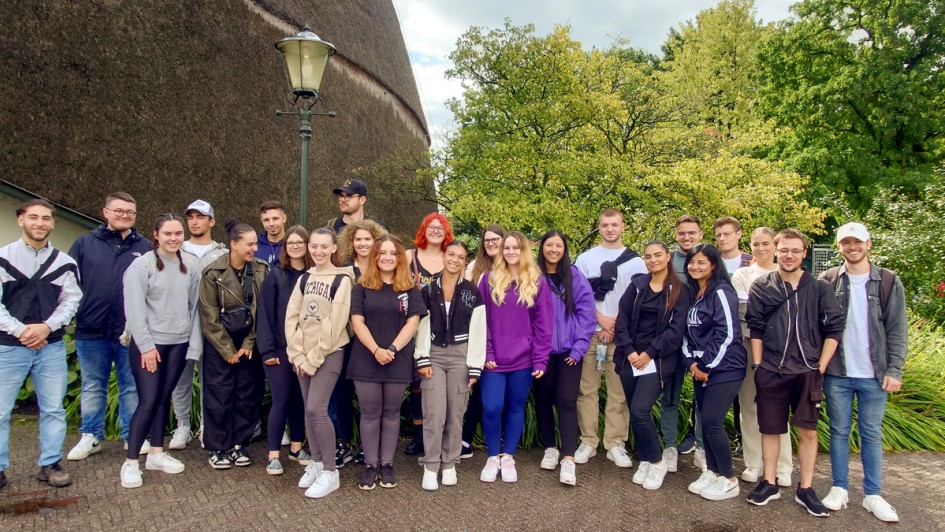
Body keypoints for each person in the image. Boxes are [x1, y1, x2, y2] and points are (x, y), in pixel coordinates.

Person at [745, 228, 844, 517]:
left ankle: (806, 488)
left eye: (795, 250)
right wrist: (759, 365)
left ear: (804, 253)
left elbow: (834, 328)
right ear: (776, 251)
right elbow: (756, 327)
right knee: (770, 428)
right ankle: (770, 482)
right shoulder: (763, 286)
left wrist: (821, 365)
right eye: (784, 249)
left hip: (807, 370)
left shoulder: (819, 287)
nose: (789, 255)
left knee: (808, 430)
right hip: (772, 370)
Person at [819, 222, 907, 523]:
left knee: (871, 434)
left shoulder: (887, 281)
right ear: (839, 246)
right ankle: (839, 488)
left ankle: (873, 494)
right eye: (846, 243)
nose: (852, 248)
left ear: (868, 244)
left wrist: (895, 368)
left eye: (857, 242)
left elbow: (896, 329)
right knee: (839, 432)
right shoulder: (829, 279)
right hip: (837, 372)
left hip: (874, 374)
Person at [0, 199, 81, 490]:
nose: (40, 223)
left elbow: (71, 300)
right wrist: (24, 331)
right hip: (9, 346)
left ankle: (50, 463)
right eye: (33, 217)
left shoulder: (64, 263)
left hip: (51, 346)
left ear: (52, 223)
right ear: (21, 219)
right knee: (1, 410)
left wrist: (47, 327)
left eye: (46, 218)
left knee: (53, 409)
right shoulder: (3, 258)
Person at [68, 192, 151, 461]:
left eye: (130, 212)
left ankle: (131, 435)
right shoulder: (84, 244)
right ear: (106, 212)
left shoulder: (146, 247)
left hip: (129, 330)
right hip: (91, 328)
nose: (124, 215)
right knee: (93, 385)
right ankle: (91, 436)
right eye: (119, 210)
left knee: (130, 385)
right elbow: (69, 284)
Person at [119, 214, 201, 488]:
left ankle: (156, 453)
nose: (174, 238)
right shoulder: (140, 267)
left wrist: (193, 344)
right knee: (149, 399)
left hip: (178, 343)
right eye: (168, 233)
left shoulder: (190, 265)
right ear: (156, 235)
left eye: (178, 233)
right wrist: (146, 346)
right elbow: (134, 310)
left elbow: (194, 308)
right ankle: (131, 462)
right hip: (150, 346)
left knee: (164, 397)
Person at [347, 235, 425, 490]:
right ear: (376, 256)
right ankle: (371, 466)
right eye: (383, 252)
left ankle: (387, 464)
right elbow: (356, 321)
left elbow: (413, 322)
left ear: (400, 257)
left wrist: (391, 349)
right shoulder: (362, 286)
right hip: (366, 359)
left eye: (393, 253)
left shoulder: (409, 288)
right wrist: (376, 350)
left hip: (397, 358)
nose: (388, 257)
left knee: (392, 414)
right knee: (370, 414)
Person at [477, 231, 553, 483]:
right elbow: (480, 322)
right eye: (506, 248)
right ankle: (492, 457)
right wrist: (486, 352)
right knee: (491, 407)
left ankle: (508, 456)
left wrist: (540, 358)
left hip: (523, 360)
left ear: (523, 251)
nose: (510, 252)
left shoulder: (537, 282)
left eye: (515, 248)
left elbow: (544, 323)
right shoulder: (488, 280)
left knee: (514, 407)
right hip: (493, 360)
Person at [614, 240, 690, 491]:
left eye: (658, 255)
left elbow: (675, 331)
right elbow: (622, 320)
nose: (653, 259)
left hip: (657, 361)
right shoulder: (637, 286)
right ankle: (645, 459)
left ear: (668, 257)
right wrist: (630, 351)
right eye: (648, 256)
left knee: (640, 411)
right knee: (636, 413)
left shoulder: (679, 291)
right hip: (629, 359)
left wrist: (648, 353)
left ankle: (657, 462)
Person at [286, 228, 354, 499]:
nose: (318, 251)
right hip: (302, 355)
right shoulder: (304, 278)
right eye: (314, 246)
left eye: (324, 247)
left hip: (329, 353)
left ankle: (330, 470)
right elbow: (291, 317)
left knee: (317, 409)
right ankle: (315, 461)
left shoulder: (342, 279)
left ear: (334, 248)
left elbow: (335, 324)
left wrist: (313, 358)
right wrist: (298, 354)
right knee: (307, 410)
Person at [573, 209, 645, 469]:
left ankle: (615, 443)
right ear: (600, 228)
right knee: (586, 389)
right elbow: (578, 296)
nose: (610, 229)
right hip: (590, 334)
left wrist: (615, 326)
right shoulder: (585, 259)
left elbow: (639, 299)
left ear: (622, 227)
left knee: (619, 392)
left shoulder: (636, 262)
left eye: (614, 224)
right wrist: (600, 318)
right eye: (605, 225)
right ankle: (588, 441)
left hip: (622, 337)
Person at [414, 241, 486, 490]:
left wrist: (475, 364)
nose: (455, 259)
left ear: (466, 261)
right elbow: (421, 324)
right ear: (444, 256)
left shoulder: (471, 292)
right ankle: (431, 464)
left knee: (455, 414)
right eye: (451, 254)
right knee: (434, 413)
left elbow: (478, 329)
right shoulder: (428, 290)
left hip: (460, 356)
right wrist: (421, 357)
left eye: (461, 256)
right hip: (433, 354)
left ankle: (450, 463)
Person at [199, 219, 270, 469]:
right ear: (233, 244)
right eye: (250, 244)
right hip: (220, 344)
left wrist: (250, 342)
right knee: (218, 395)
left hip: (250, 343)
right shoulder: (212, 273)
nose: (255, 248)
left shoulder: (262, 270)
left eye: (255, 244)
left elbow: (264, 311)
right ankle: (218, 446)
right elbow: (208, 317)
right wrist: (227, 350)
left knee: (247, 395)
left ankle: (240, 443)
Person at [680, 244, 747, 501]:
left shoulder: (721, 291)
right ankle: (712, 471)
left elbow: (727, 333)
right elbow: (687, 334)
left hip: (725, 368)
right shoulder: (696, 293)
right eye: (691, 262)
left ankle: (728, 478)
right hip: (700, 369)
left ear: (714, 265)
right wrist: (691, 364)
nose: (695, 267)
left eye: (701, 262)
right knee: (704, 423)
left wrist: (706, 365)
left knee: (711, 421)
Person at [731, 227, 793, 487]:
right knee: (748, 407)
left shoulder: (789, 275)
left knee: (777, 409)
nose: (760, 248)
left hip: (781, 352)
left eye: (766, 244)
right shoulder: (743, 274)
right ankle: (754, 463)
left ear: (775, 247)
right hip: (747, 347)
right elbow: (743, 313)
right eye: (755, 244)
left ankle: (783, 466)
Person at [533, 230, 596, 486]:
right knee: (543, 399)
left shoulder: (574, 276)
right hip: (541, 352)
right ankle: (550, 447)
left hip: (570, 352)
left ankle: (568, 459)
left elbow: (586, 312)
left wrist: (579, 347)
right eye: (549, 245)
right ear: (542, 248)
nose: (554, 250)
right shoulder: (532, 275)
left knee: (567, 401)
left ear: (564, 249)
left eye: (558, 245)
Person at [255, 226, 315, 477]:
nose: (296, 246)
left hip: (307, 351)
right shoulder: (275, 276)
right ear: (284, 247)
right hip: (279, 349)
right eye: (291, 243)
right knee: (281, 399)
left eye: (301, 242)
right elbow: (265, 316)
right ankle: (273, 455)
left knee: (300, 400)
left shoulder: (314, 276)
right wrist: (267, 350)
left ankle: (297, 448)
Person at [170, 199, 228, 450]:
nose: (194, 221)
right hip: (181, 323)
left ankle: (207, 426)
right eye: (190, 217)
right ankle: (182, 426)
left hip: (213, 324)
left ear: (211, 221)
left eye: (200, 217)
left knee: (211, 378)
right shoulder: (175, 251)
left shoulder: (223, 253)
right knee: (180, 378)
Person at [330, 219, 388, 467]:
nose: (363, 243)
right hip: (347, 341)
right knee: (342, 393)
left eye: (368, 239)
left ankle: (368, 445)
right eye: (358, 239)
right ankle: (344, 442)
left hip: (377, 343)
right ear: (351, 242)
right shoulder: (342, 271)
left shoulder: (385, 269)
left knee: (371, 398)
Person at [404, 213, 454, 456]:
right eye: (431, 227)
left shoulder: (450, 257)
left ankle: (439, 436)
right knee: (417, 385)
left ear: (446, 232)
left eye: (440, 227)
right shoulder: (409, 256)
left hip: (444, 329)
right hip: (414, 325)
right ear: (423, 229)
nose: (435, 231)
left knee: (438, 384)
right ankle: (418, 437)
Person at [662, 214, 706, 471]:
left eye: (691, 233)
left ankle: (701, 447)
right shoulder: (668, 260)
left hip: (702, 342)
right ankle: (669, 447)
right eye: (682, 233)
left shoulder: (709, 259)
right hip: (672, 341)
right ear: (676, 235)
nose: (686, 237)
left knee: (703, 399)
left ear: (700, 234)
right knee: (670, 396)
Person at [461, 223, 506, 458]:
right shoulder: (473, 268)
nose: (490, 244)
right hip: (478, 333)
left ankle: (499, 439)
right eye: (487, 240)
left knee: (498, 393)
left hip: (505, 337)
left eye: (495, 239)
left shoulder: (512, 267)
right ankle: (466, 439)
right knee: (479, 388)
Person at [256, 200, 287, 267]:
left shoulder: (293, 245)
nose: (271, 224)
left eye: (275, 219)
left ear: (284, 218)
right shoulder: (254, 245)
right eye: (266, 220)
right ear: (262, 221)